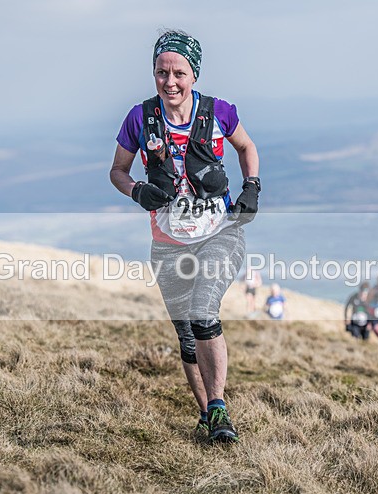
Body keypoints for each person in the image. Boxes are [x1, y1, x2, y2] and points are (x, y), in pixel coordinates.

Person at [110, 30, 260, 443]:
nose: (170, 82)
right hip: (168, 242)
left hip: (220, 233)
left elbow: (247, 148)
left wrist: (252, 187)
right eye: (161, 72)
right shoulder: (140, 118)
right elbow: (117, 171)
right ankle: (209, 417)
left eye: (179, 72)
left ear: (194, 74)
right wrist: (137, 190)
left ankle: (217, 407)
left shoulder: (219, 112)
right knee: (186, 335)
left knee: (202, 312)